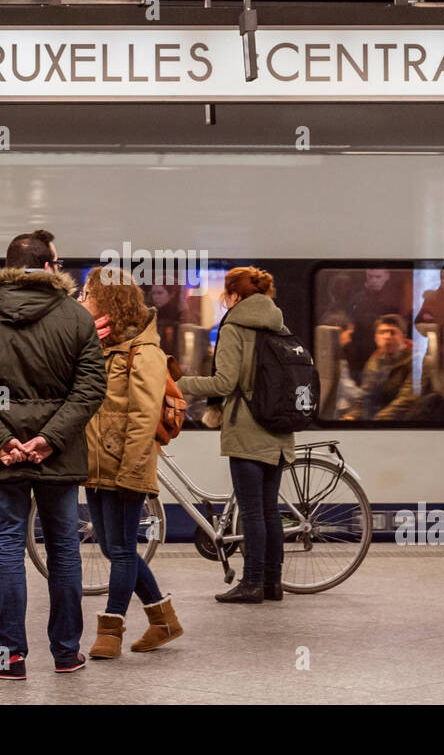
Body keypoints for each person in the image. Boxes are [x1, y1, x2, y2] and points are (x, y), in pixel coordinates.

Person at [0, 229, 107, 679]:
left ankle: (10, 655)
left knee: (7, 548)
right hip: (57, 456)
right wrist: (49, 439)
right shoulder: (76, 318)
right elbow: (90, 388)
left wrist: (2, 440)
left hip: (2, 457)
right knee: (63, 549)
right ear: (49, 266)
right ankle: (65, 653)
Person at [79, 267, 182, 659]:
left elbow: (142, 416)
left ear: (109, 300)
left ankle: (111, 629)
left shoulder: (146, 353)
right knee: (111, 546)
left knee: (121, 549)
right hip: (96, 467)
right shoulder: (102, 347)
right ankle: (164, 620)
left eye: (88, 293)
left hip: (126, 468)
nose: (83, 300)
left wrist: (130, 472)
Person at [177, 266, 294, 604]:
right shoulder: (278, 324)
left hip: (247, 428)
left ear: (235, 296)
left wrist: (180, 383)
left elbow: (224, 383)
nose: (221, 300)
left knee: (252, 511)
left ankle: (252, 583)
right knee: (269, 510)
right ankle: (273, 583)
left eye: (224, 294)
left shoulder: (234, 327)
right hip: (278, 428)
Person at [342, 315, 416, 422]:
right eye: (382, 332)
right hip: (380, 418)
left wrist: (377, 421)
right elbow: (366, 396)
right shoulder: (375, 360)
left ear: (403, 337)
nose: (387, 336)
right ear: (376, 339)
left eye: (392, 332)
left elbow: (407, 400)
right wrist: (352, 416)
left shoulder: (417, 359)